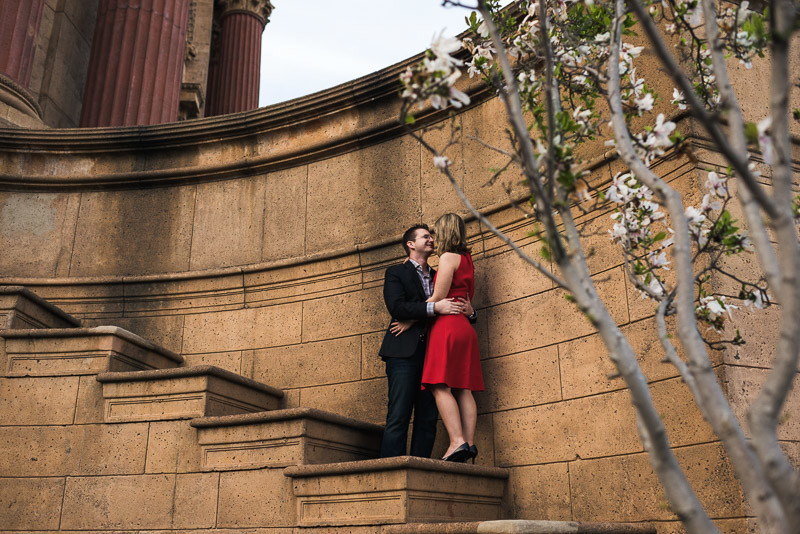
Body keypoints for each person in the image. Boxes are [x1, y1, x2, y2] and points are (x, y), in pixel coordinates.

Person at [378, 223, 468, 458]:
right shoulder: (395, 272)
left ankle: (420, 467)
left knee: (428, 417)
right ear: (411, 244)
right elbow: (396, 307)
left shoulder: (441, 274)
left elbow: (456, 304)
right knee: (399, 414)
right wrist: (432, 308)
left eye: (431, 236)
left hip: (434, 353)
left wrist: (471, 312)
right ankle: (391, 469)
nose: (431, 240)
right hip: (403, 354)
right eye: (425, 237)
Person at [422, 213, 483, 463]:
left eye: (435, 233)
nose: (433, 239)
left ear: (444, 233)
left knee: (439, 385)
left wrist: (414, 310)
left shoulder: (448, 257)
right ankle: (469, 442)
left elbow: (438, 296)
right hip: (464, 327)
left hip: (447, 326)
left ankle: (456, 441)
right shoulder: (467, 259)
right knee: (464, 388)